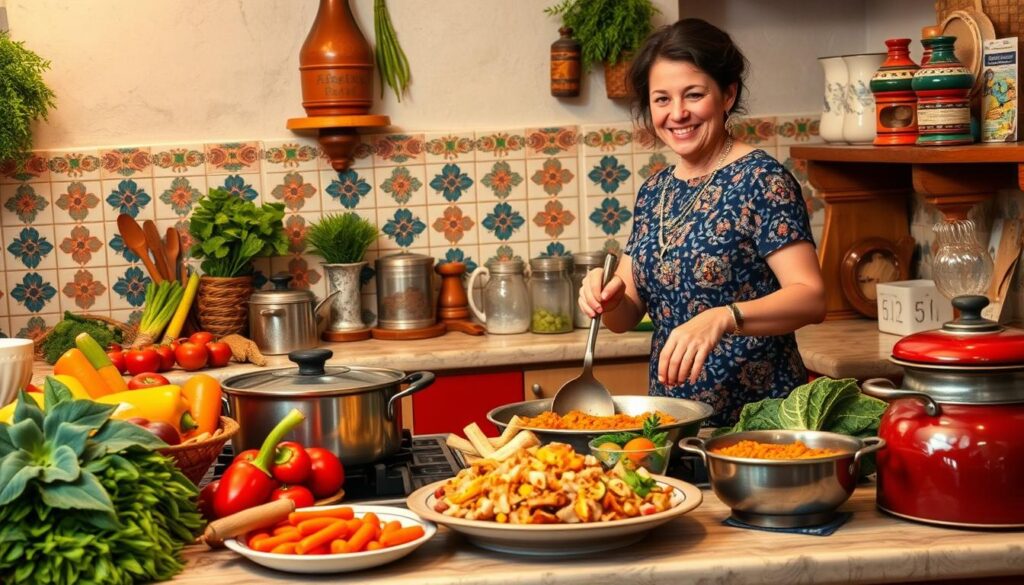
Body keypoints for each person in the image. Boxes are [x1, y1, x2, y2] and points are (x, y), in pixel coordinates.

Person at [578, 18, 826, 426]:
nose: (677, 114)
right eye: (661, 100)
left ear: (727, 95)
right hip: (675, 423)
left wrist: (724, 316)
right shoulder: (655, 191)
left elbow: (811, 297)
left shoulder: (762, 180)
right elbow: (624, 317)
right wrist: (605, 296)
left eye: (693, 95)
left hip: (761, 423)